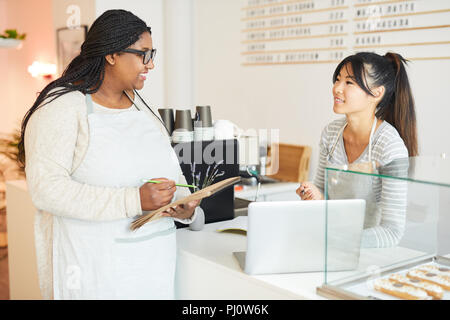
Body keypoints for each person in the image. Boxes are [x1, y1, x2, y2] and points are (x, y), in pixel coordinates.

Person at [18, 9, 201, 299]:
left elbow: (171, 174)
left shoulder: (142, 110)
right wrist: (134, 199)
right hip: (93, 271)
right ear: (112, 55)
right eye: (143, 54)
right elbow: (47, 191)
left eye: (153, 54)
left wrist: (183, 203)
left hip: (153, 267)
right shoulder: (62, 109)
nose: (151, 64)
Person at [296, 51, 417, 248]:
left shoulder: (390, 146)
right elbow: (323, 193)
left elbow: (392, 231)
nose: (337, 88)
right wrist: (315, 196)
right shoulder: (331, 133)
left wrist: (343, 240)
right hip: (329, 247)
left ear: (377, 93)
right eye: (337, 80)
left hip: (369, 255)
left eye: (349, 83)